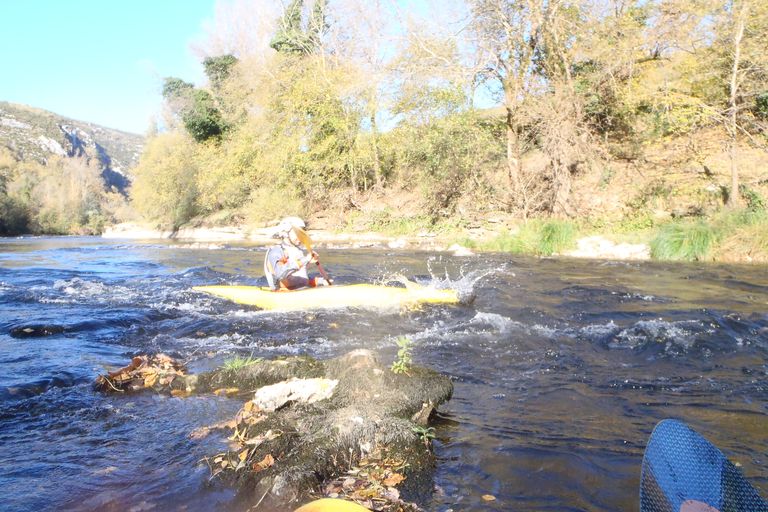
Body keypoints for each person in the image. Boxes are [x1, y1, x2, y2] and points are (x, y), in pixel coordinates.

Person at [264, 218, 330, 291]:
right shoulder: (276, 251)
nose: (300, 237)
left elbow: (300, 277)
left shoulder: (298, 251)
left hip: (299, 290)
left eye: (302, 234)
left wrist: (318, 281)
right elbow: (280, 274)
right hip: (282, 293)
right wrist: (305, 260)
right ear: (285, 233)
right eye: (297, 233)